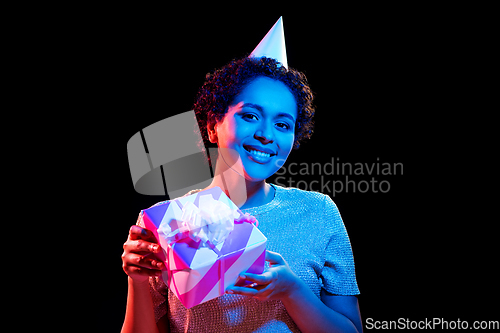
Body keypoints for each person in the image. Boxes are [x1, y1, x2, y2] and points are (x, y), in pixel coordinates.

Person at [121, 55, 363, 332]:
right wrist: (137, 281)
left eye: (283, 124)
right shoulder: (166, 221)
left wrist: (292, 290)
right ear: (213, 125)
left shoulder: (319, 212)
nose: (266, 134)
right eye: (250, 116)